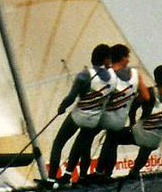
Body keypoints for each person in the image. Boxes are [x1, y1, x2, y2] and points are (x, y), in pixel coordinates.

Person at [69, 43, 150, 183]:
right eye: (127, 57)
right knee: (112, 142)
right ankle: (106, 174)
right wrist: (130, 101)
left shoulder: (109, 75)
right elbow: (146, 96)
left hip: (104, 115)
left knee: (86, 139)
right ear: (123, 58)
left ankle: (81, 174)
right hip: (120, 117)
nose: (129, 60)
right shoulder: (136, 75)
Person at [96, 62, 162, 181]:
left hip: (139, 134)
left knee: (112, 136)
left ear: (155, 78)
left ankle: (104, 173)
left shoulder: (149, 92)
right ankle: (135, 171)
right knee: (148, 145)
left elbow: (133, 107)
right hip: (154, 140)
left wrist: (132, 122)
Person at [46, 44, 113, 184]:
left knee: (58, 142)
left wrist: (61, 108)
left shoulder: (84, 75)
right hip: (94, 119)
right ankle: (82, 177)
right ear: (106, 60)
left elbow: (71, 97)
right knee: (85, 147)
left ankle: (51, 179)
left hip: (78, 116)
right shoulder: (114, 78)